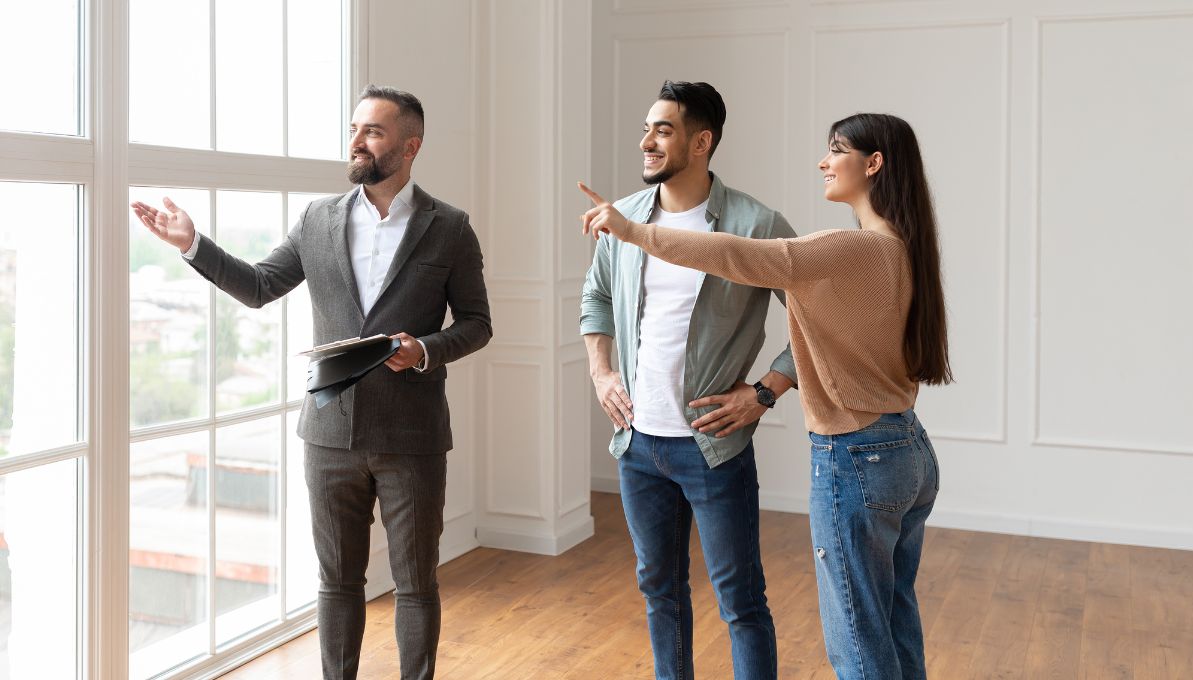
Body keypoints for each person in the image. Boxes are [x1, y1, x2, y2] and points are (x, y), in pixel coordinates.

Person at [131, 85, 492, 680]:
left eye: (373, 131)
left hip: (412, 435)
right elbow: (257, 286)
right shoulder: (317, 219)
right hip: (328, 436)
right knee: (338, 582)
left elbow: (478, 324)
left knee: (414, 582)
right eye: (354, 128)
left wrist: (424, 349)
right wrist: (191, 244)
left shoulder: (449, 227)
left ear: (410, 146)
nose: (356, 141)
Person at [580, 112, 951, 680]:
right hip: (904, 448)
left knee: (857, 643)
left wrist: (632, 231)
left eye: (836, 151)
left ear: (873, 164)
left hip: (856, 456)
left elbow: (741, 256)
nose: (823, 162)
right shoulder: (898, 246)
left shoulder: (853, 248)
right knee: (892, 621)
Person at [579, 80, 799, 680]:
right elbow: (596, 299)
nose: (646, 141)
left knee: (741, 603)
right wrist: (602, 375)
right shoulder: (623, 218)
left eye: (664, 130)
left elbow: (819, 320)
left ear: (702, 142)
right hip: (637, 447)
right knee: (660, 592)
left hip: (713, 447)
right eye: (647, 127)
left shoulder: (756, 223)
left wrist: (763, 393)